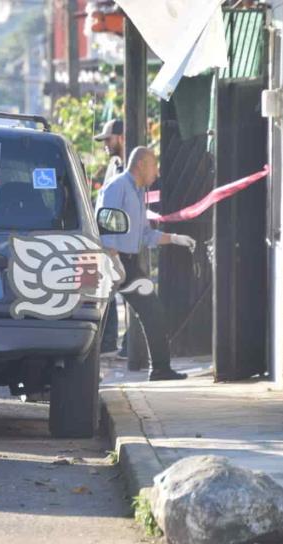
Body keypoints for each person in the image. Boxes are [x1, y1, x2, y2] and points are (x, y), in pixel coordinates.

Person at [96, 146, 196, 381]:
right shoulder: (118, 186)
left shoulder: (139, 191)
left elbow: (144, 234)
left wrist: (173, 239)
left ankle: (160, 369)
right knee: (94, 317)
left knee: (153, 311)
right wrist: (114, 259)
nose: (157, 172)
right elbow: (106, 225)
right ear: (140, 164)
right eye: (154, 165)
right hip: (111, 261)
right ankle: (78, 369)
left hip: (126, 262)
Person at [94, 119, 126, 354]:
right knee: (108, 287)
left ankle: (123, 344)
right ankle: (110, 343)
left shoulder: (130, 167)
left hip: (124, 240)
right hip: (109, 238)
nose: (105, 144)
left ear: (121, 138)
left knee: (131, 292)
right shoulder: (114, 165)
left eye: (108, 139)